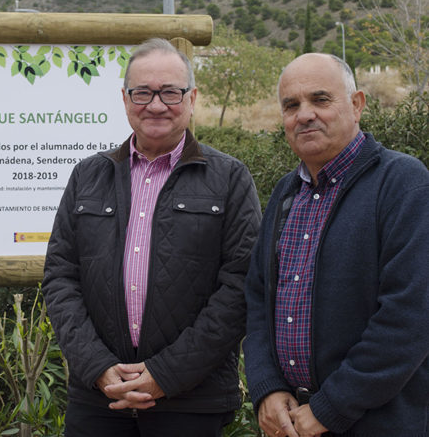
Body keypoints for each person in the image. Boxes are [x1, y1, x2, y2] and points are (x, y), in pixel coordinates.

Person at [42, 38, 261, 436]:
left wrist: (166, 373)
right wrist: (97, 367)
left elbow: (240, 286)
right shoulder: (88, 176)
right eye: (142, 92)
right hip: (98, 400)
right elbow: (60, 276)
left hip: (191, 401)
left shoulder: (229, 179)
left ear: (192, 98)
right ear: (125, 99)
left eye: (170, 92)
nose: (156, 105)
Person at [243, 53, 429, 436]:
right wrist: (267, 388)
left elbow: (409, 318)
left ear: (357, 104)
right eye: (291, 105)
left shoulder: (403, 184)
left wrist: (330, 408)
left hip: (378, 423)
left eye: (320, 99)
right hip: (291, 421)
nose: (305, 114)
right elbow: (259, 301)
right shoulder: (285, 193)